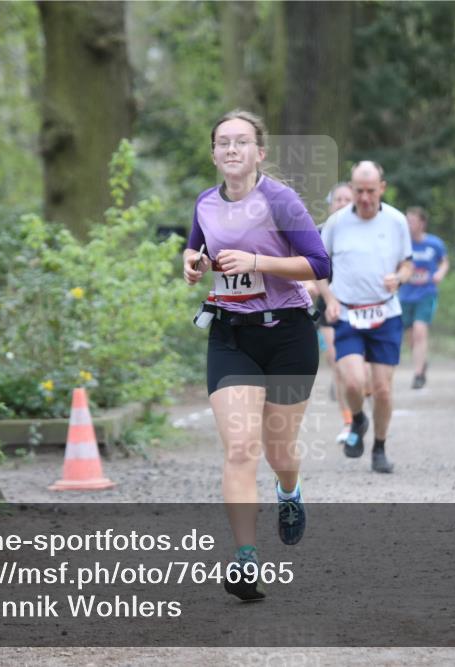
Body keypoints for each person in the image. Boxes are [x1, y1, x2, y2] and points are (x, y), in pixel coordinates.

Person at [183, 109, 330, 600]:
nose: (231, 149)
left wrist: (258, 262)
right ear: (213, 154)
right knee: (241, 448)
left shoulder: (280, 200)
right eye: (222, 142)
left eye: (241, 142)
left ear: (259, 153)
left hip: (288, 336)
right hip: (231, 337)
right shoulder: (205, 204)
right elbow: (199, 250)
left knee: (278, 451)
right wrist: (194, 263)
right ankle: (246, 559)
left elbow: (318, 263)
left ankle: (289, 492)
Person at [317, 161, 413, 473]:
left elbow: (408, 265)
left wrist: (398, 278)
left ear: (382, 188)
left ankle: (380, 448)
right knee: (354, 382)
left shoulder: (397, 221)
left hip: (385, 313)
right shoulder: (337, 223)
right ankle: (358, 420)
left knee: (383, 389)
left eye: (371, 191)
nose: (365, 197)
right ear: (352, 188)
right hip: (346, 314)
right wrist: (329, 298)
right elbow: (318, 267)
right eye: (359, 191)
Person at [304, 182, 359, 444]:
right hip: (330, 305)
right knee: (337, 361)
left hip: (364, 306)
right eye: (338, 199)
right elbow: (308, 271)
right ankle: (349, 422)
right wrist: (310, 286)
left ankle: (357, 395)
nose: (342, 204)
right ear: (330, 204)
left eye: (348, 199)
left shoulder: (368, 233)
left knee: (362, 373)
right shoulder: (317, 234)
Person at [399, 207, 449, 389]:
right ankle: (422, 362)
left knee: (420, 331)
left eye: (412, 221)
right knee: (411, 338)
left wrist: (440, 273)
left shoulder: (434, 243)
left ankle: (418, 374)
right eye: (407, 221)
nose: (408, 225)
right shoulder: (402, 244)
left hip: (426, 294)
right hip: (405, 295)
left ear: (422, 223)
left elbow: (444, 261)